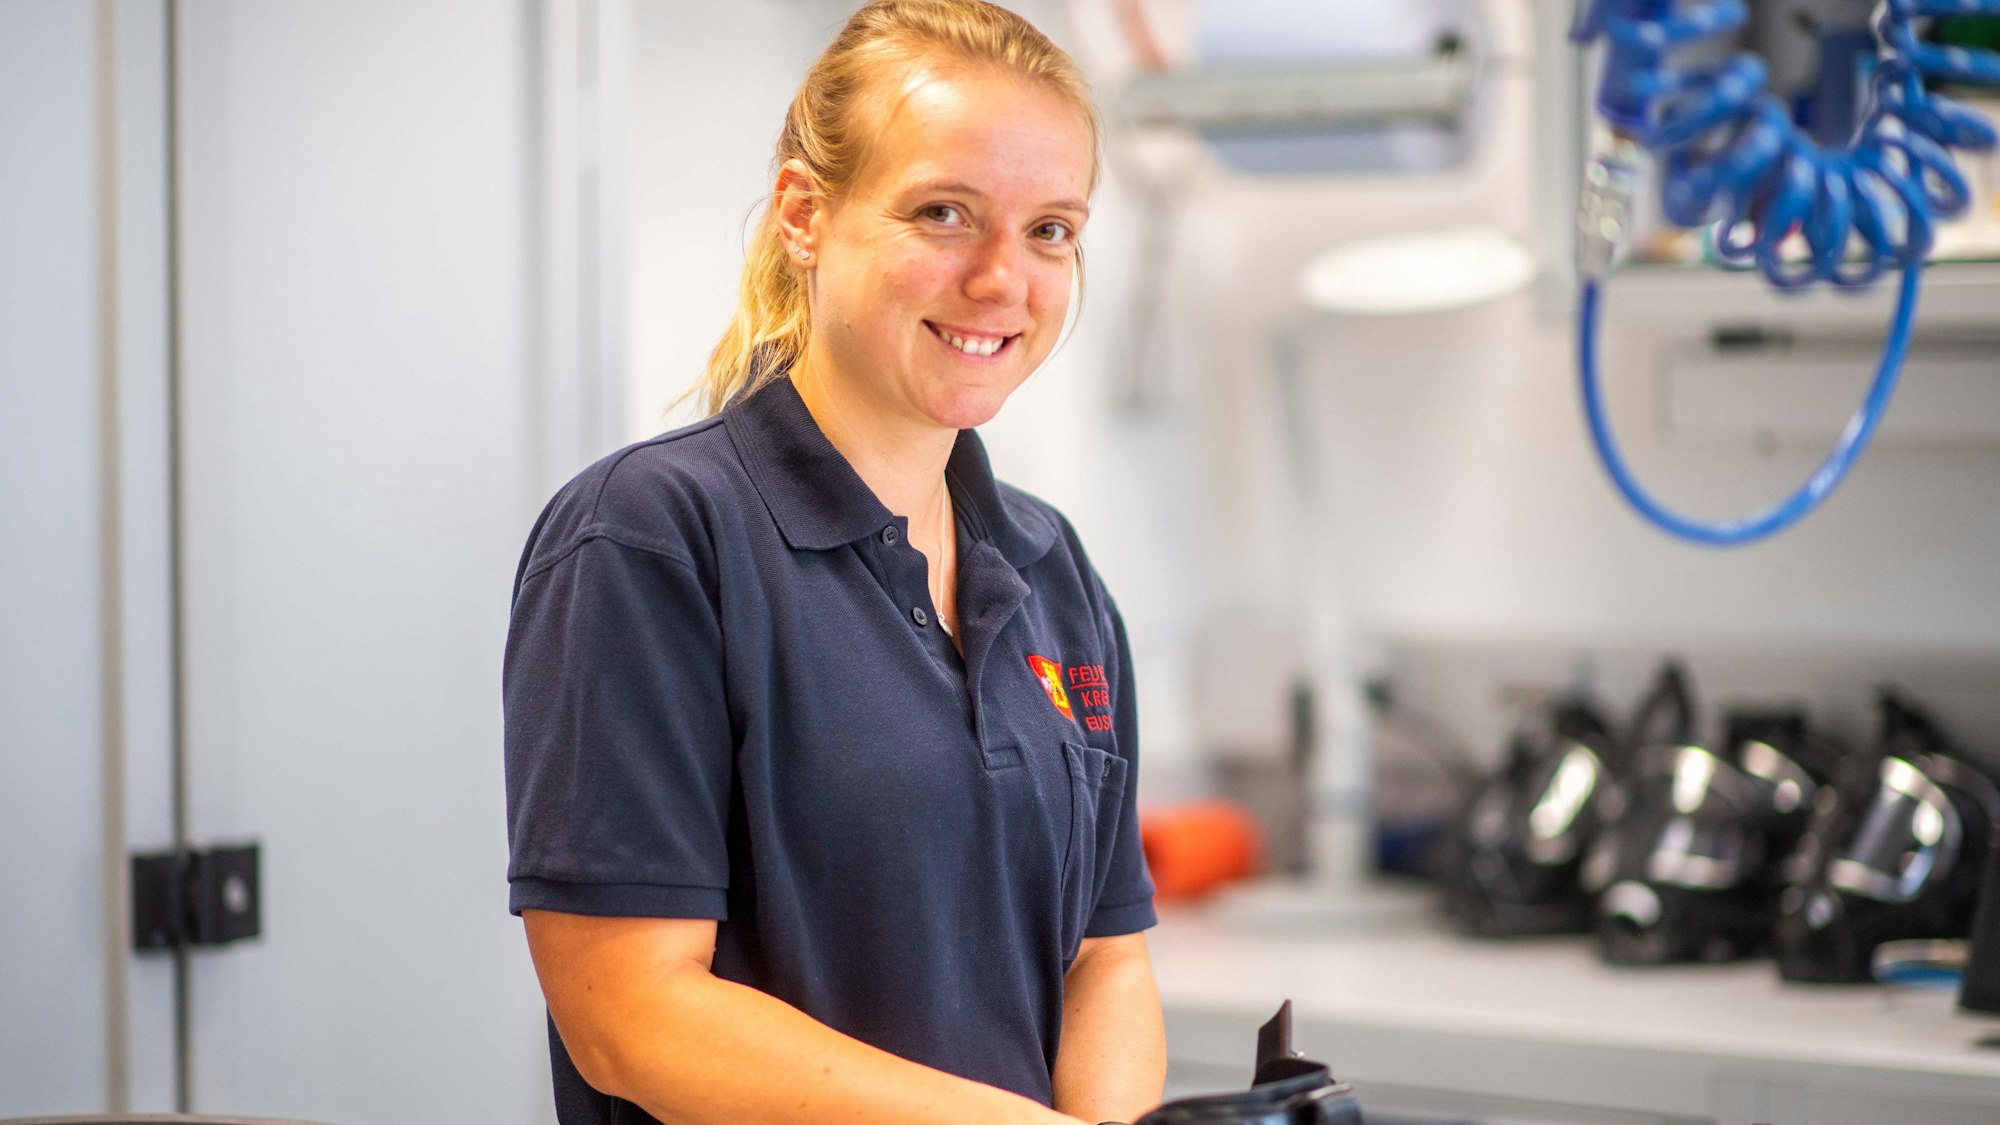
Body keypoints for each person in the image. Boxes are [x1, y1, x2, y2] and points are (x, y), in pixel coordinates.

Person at [502, 3, 1162, 1123]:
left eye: (1050, 229)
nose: (1003, 278)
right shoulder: (651, 539)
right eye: (944, 214)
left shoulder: (1051, 570)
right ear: (806, 214)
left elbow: (1105, 959)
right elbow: (631, 1016)